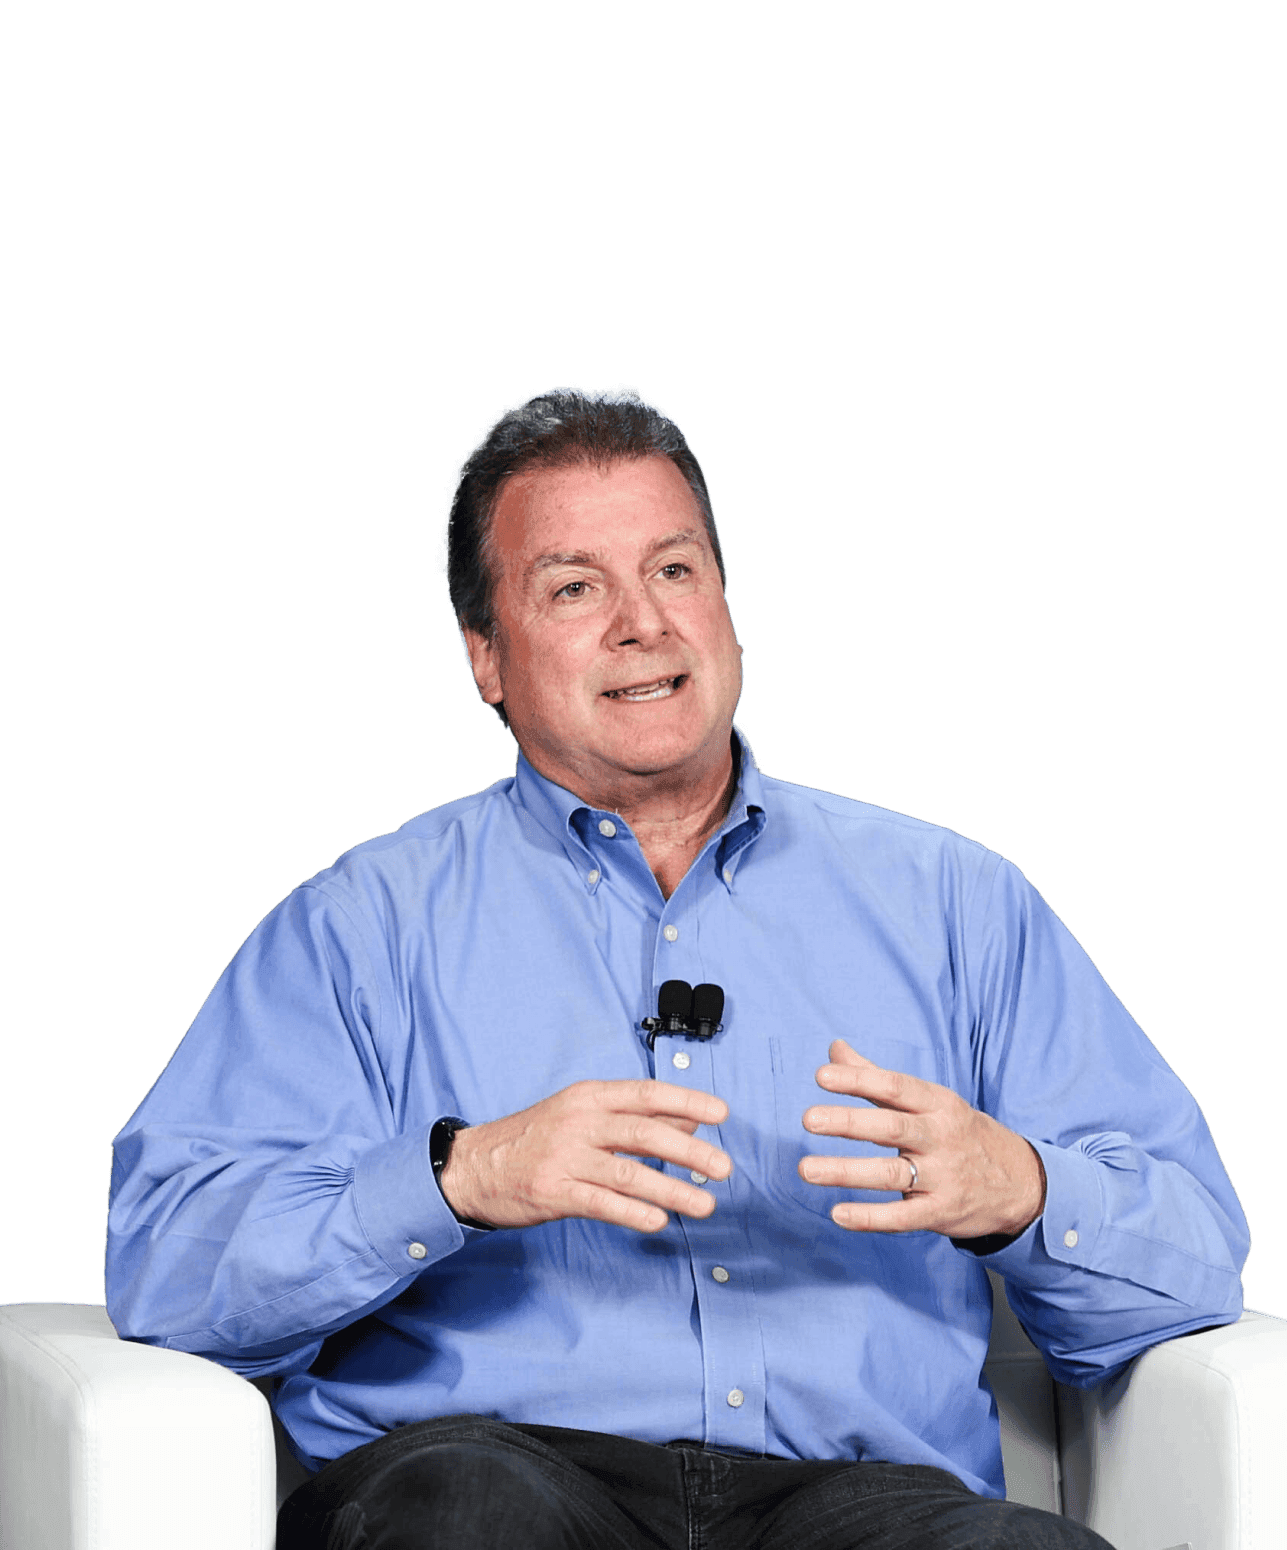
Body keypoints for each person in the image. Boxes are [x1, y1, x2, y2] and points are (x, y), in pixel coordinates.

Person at [106, 389, 1248, 1550]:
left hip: (861, 1502)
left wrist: (1025, 1191)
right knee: (464, 1519)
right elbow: (168, 1270)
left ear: (728, 612)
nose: (642, 623)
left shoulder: (955, 902)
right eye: (573, 587)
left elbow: (1196, 1260)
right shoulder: (364, 925)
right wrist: (457, 1175)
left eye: (675, 570)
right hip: (499, 1472)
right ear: (486, 657)